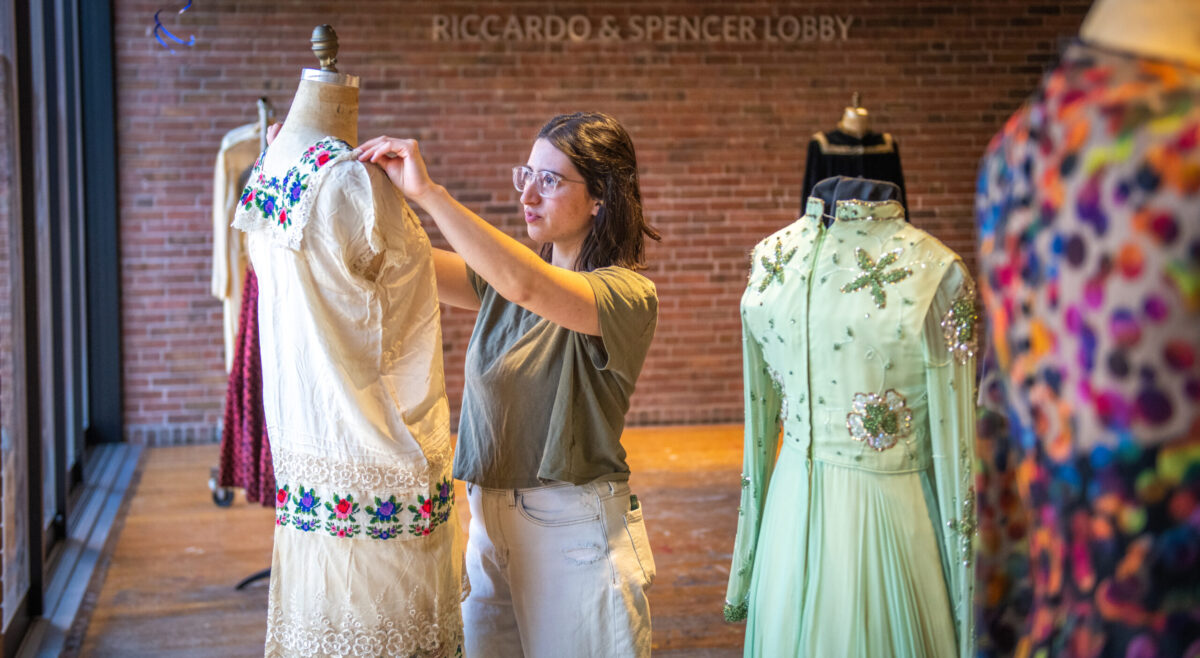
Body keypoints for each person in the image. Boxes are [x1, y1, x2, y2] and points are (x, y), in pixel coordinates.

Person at [358, 111, 662, 658]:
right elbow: (401, 265)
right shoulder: (502, 283)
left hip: (572, 533)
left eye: (551, 180)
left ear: (601, 197)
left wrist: (429, 192)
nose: (530, 194)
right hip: (487, 522)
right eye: (527, 174)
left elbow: (527, 284)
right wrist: (335, 178)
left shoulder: (626, 294)